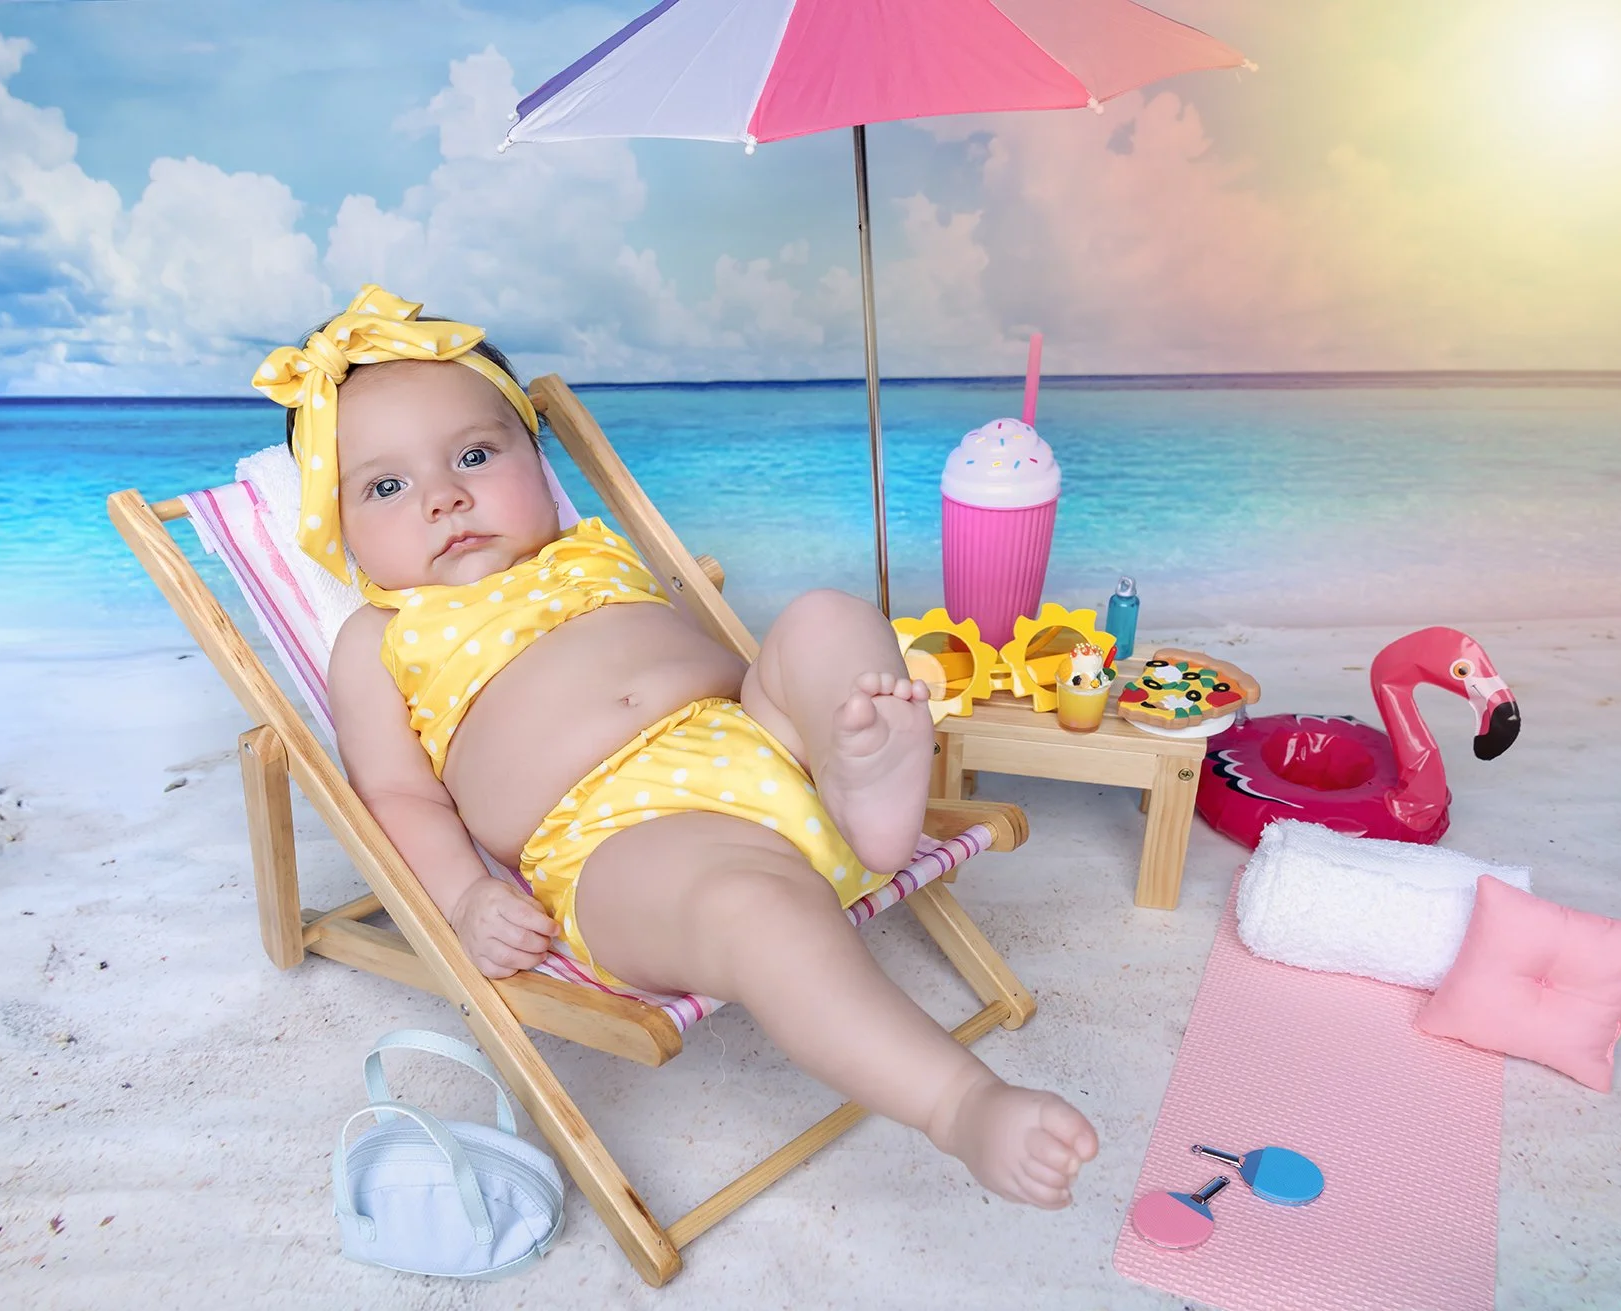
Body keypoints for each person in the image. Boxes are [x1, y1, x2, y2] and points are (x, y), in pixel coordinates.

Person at [254, 286, 1097, 1208]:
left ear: (536, 460)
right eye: (386, 486)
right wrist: (463, 899)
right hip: (620, 841)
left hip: (759, 732)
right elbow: (397, 795)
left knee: (825, 619)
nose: (445, 495)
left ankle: (864, 784)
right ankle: (961, 1102)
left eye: (475, 454)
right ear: (336, 535)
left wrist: (798, 709)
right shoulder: (379, 639)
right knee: (750, 912)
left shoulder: (590, 547)